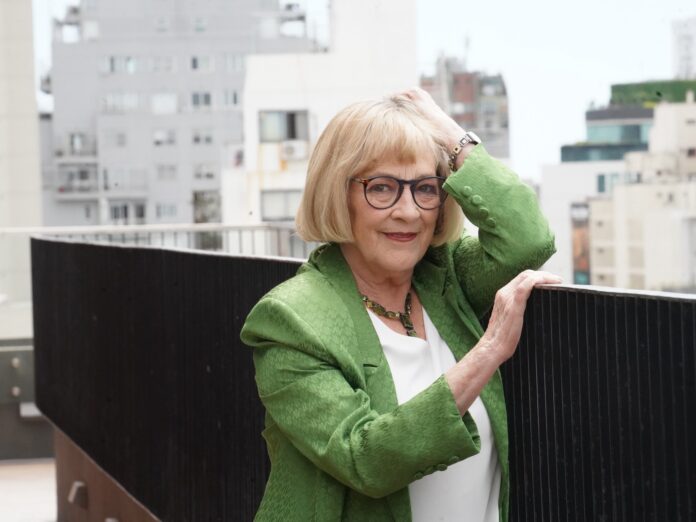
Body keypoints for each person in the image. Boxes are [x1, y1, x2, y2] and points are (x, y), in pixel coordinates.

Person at [241, 88, 559, 522]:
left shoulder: (444, 276)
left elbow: (528, 240)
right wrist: (488, 351)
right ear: (338, 194)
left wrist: (454, 138)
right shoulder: (290, 319)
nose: (409, 212)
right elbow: (365, 459)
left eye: (425, 188)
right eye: (382, 188)